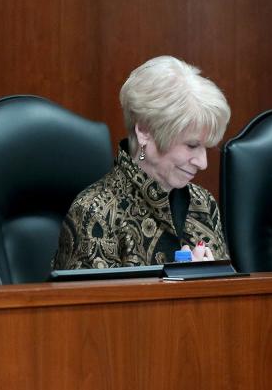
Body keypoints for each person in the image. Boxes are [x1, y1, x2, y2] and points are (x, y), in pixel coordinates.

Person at [53, 55, 230, 269]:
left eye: (206, 147)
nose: (203, 163)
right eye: (192, 145)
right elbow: (92, 303)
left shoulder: (204, 203)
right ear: (145, 131)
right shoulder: (95, 213)